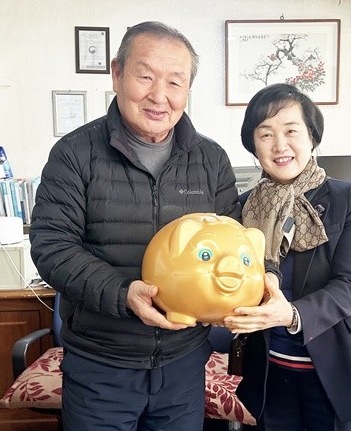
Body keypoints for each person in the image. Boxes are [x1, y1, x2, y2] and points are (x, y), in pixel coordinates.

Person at [29, 21, 241, 431]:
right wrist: (124, 293)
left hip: (183, 364)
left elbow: (231, 243)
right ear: (117, 74)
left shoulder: (211, 160)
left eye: (175, 82)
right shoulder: (74, 154)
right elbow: (52, 246)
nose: (159, 95)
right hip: (101, 365)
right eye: (145, 76)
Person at [223, 83, 351, 431]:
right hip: (271, 372)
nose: (280, 145)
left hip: (338, 370)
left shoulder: (348, 198)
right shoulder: (244, 208)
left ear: (312, 137)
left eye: (291, 131)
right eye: (266, 134)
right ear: (253, 145)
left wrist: (291, 315)